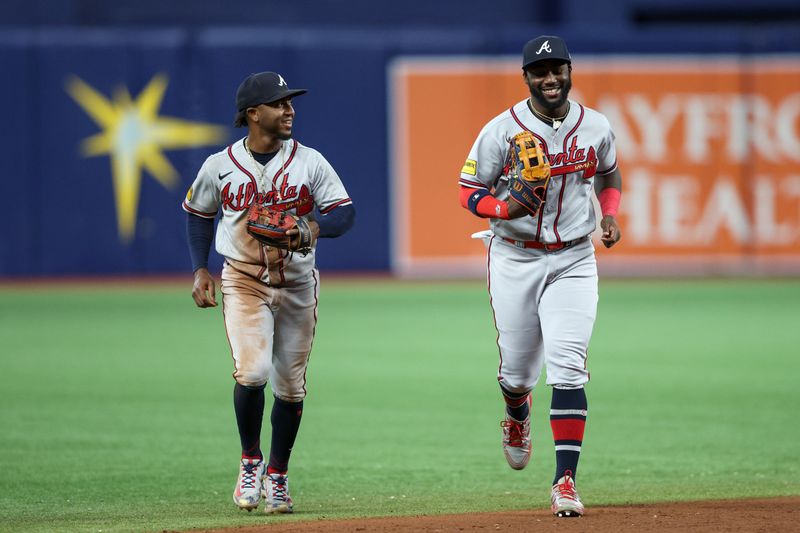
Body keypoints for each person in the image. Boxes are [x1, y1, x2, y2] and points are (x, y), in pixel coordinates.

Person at [458, 36, 622, 517]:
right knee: (517, 372)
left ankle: (564, 481)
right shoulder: (501, 130)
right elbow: (468, 189)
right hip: (514, 256)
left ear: (570, 71)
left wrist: (609, 215)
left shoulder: (596, 126)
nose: (550, 78)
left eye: (558, 69)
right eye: (540, 71)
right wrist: (501, 206)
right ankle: (516, 412)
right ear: (526, 77)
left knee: (569, 365)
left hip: (574, 256)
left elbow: (610, 174)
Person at [182, 71, 355, 514]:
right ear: (254, 114)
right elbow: (200, 213)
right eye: (280, 103)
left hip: (297, 282)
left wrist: (312, 226)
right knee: (253, 371)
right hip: (243, 279)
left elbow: (344, 212)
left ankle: (277, 475)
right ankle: (250, 462)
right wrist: (201, 268)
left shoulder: (309, 161)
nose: (290, 110)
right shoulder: (218, 165)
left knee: (291, 387)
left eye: (291, 103)